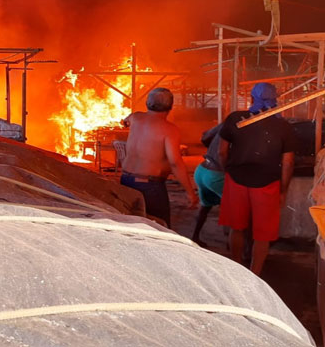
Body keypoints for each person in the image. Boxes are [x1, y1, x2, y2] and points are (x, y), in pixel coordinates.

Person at [218, 82, 295, 275]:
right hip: (267, 184)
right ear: (275, 100)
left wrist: (227, 170)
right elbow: (287, 163)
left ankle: (236, 269)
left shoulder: (236, 118)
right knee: (263, 235)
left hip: (236, 179)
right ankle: (256, 274)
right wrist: (283, 190)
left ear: (251, 98)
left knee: (236, 228)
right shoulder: (283, 126)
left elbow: (222, 151)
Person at [120, 87, 199, 227]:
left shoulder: (135, 117)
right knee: (159, 227)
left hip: (126, 181)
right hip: (149, 187)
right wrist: (190, 192)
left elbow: (125, 121)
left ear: (147, 103)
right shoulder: (169, 129)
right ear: (171, 107)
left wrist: (126, 123)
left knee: (129, 225)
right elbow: (175, 162)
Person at [191, 123, 225, 246]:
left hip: (202, 170)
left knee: (205, 207)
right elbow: (222, 153)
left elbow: (205, 136)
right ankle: (237, 245)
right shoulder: (245, 124)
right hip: (216, 175)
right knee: (234, 208)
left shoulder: (228, 121)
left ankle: (194, 237)